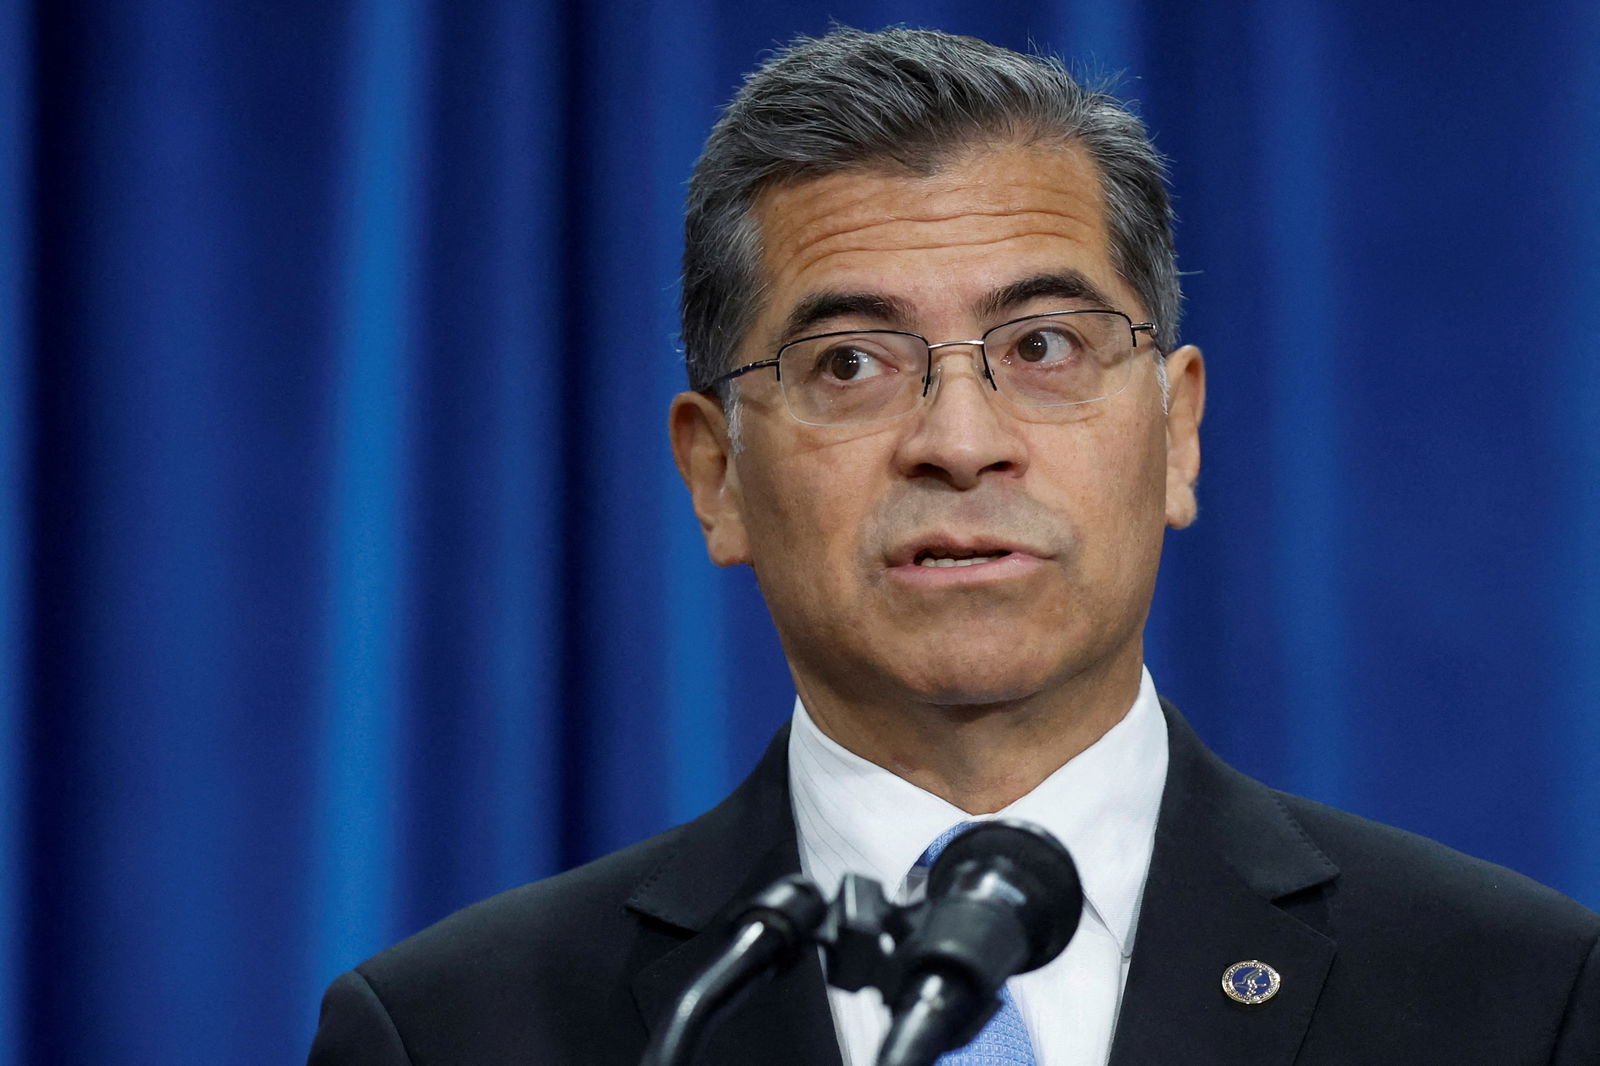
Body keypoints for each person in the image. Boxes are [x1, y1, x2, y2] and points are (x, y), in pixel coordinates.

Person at [308, 27, 1599, 1065]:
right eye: (853, 363)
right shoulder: (455, 1029)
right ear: (718, 476)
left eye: (1044, 346)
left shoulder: (1517, 998)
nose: (961, 441)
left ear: (1179, 430)